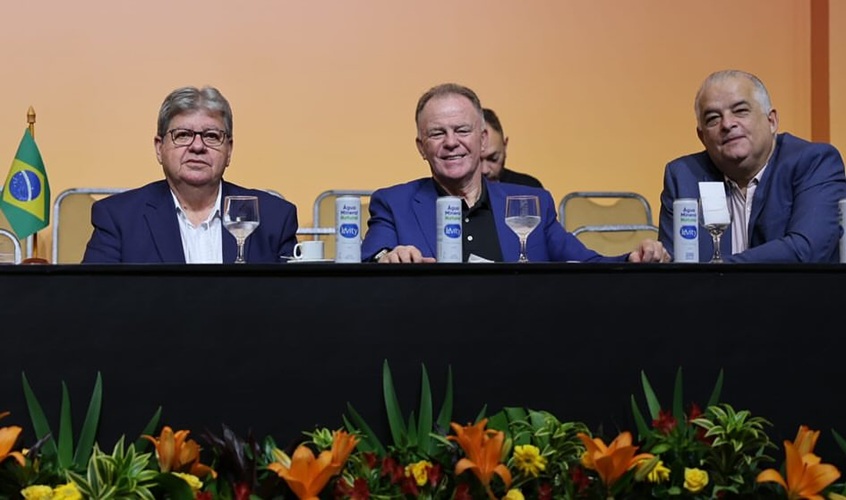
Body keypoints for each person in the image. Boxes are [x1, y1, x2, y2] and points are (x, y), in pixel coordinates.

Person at [361, 82, 669, 263]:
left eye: (462, 130)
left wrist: (632, 258)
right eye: (437, 133)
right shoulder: (393, 203)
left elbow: (584, 263)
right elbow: (372, 256)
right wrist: (389, 257)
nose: (451, 142)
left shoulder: (532, 203)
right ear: (421, 147)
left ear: (483, 140)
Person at [82, 85, 298, 264]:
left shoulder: (274, 217)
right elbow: (95, 296)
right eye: (183, 135)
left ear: (229, 150)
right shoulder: (118, 218)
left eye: (211, 136)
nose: (197, 146)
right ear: (159, 148)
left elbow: (293, 298)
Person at [658, 69, 846, 263]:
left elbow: (806, 250)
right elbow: (674, 265)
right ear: (702, 137)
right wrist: (653, 257)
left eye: (740, 111)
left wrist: (717, 269)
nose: (727, 124)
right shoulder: (683, 176)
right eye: (713, 118)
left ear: (771, 121)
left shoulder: (815, 162)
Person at [480, 108, 544, 188]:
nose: (484, 170)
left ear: (505, 146)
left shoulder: (529, 188)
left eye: (493, 159)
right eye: (477, 161)